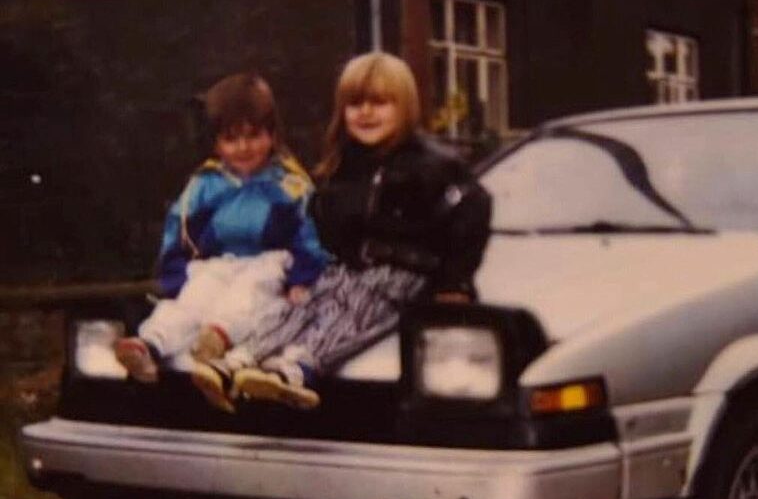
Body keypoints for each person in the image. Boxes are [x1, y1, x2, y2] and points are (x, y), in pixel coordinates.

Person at [196, 52, 491, 410]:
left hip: (404, 274)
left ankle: (297, 366)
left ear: (405, 106)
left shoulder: (431, 164)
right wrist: (309, 270)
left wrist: (455, 283)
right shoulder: (345, 164)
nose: (365, 113)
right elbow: (325, 223)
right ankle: (241, 359)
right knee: (303, 305)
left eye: (379, 103)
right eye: (355, 104)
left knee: (351, 311)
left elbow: (471, 212)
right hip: (351, 269)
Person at [113, 73, 329, 412]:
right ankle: (150, 345)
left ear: (272, 134)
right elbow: (179, 229)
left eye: (253, 136)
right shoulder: (205, 184)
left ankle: (217, 337)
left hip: (269, 262)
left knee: (249, 293)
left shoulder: (289, 184)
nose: (243, 147)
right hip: (218, 264)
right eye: (231, 138)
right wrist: (176, 274)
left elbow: (309, 234)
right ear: (216, 142)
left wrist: (302, 278)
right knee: (193, 298)